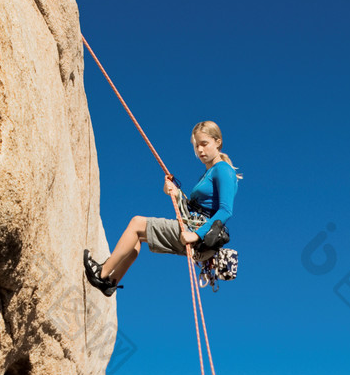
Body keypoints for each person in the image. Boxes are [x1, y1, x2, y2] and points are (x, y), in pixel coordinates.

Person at [83, 121, 242, 296]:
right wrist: (175, 193)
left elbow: (226, 210)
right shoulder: (209, 173)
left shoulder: (223, 170)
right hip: (195, 230)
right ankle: (111, 281)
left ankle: (102, 272)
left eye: (204, 144)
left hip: (198, 234)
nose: (200, 150)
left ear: (217, 142)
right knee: (137, 237)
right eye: (197, 146)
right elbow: (197, 208)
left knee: (137, 224)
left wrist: (195, 235)